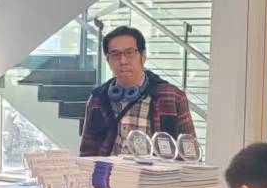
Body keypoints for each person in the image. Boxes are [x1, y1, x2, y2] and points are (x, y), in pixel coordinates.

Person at [79, 26, 196, 157]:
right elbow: (86, 153)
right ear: (108, 60)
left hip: (156, 170)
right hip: (108, 170)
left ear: (143, 56)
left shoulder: (172, 97)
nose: (123, 61)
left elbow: (190, 155)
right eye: (115, 54)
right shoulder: (97, 99)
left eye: (129, 52)